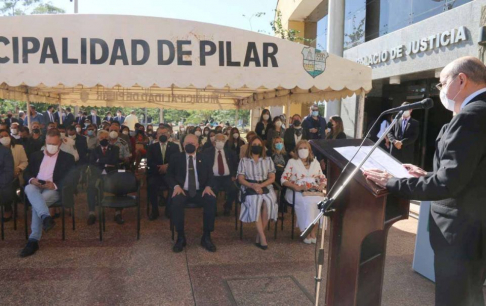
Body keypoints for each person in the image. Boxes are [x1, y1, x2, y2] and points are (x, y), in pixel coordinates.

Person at [364, 56, 486, 306]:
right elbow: (470, 174)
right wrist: (428, 175)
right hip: (474, 229)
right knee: (469, 296)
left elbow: (448, 185)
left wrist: (391, 182)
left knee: (455, 299)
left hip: (460, 232)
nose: (440, 90)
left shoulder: (471, 116)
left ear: (461, 80)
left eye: (442, 83)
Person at [20, 128, 75, 257]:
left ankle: (33, 240)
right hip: (36, 186)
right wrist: (32, 180)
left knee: (38, 203)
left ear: (60, 143)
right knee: (29, 188)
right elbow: (27, 173)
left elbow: (72, 178)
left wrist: (55, 184)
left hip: (53, 189)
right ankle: (45, 217)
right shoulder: (35, 155)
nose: (51, 146)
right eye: (49, 143)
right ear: (45, 141)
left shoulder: (67, 158)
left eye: (54, 144)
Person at [166, 134, 218, 253]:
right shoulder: (175, 157)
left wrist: (209, 187)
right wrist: (176, 186)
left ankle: (206, 236)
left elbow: (211, 175)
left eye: (192, 144)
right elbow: (169, 175)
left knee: (211, 200)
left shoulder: (204, 158)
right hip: (182, 190)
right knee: (176, 201)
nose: (189, 146)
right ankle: (180, 237)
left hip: (200, 191)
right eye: (187, 144)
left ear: (198, 145)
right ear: (183, 145)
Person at [281, 140, 327, 244]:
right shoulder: (292, 162)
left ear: (310, 150)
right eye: (300, 148)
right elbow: (283, 179)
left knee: (321, 202)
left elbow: (322, 178)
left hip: (313, 191)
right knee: (306, 202)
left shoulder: (315, 162)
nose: (303, 150)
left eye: (305, 148)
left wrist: (321, 185)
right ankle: (305, 231)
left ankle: (313, 231)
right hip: (296, 190)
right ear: (296, 151)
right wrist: (296, 187)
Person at [238, 136, 278, 250]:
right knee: (256, 202)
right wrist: (253, 186)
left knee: (268, 202)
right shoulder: (244, 161)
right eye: (254, 145)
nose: (257, 147)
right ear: (250, 146)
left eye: (259, 145)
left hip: (265, 186)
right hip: (249, 186)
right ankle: (262, 237)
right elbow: (241, 178)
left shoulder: (268, 160)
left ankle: (259, 234)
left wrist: (260, 185)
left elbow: (272, 178)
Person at [85, 130, 121, 225]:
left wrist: (99, 161)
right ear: (98, 139)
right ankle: (92, 213)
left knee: (119, 186)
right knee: (90, 187)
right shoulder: (94, 150)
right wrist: (106, 163)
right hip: (98, 174)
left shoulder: (115, 148)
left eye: (106, 138)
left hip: (112, 174)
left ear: (109, 139)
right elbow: (92, 163)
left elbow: (114, 161)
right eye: (102, 138)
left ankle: (118, 213)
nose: (104, 140)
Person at [146, 127, 180, 220]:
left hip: (169, 174)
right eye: (160, 133)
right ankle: (154, 210)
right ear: (156, 136)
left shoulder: (174, 146)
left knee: (173, 186)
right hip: (155, 173)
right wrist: (160, 167)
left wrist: (167, 166)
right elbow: (149, 162)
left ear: (169, 135)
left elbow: (177, 161)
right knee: (151, 185)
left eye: (164, 133)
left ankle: (168, 209)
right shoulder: (151, 147)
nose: (163, 135)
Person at [204, 134, 238, 216]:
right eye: (218, 140)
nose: (220, 142)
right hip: (213, 177)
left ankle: (227, 206)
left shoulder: (230, 152)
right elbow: (203, 166)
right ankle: (213, 208)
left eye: (222, 140)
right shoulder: (207, 152)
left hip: (227, 177)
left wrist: (233, 175)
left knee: (234, 190)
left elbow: (236, 165)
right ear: (214, 142)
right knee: (212, 190)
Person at [0, 129, 28, 221]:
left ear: (10, 136)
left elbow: (25, 162)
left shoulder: (19, 147)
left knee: (6, 187)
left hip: (16, 176)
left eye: (6, 135)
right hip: (3, 176)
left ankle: (8, 209)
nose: (4, 138)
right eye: (1, 136)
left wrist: (18, 169)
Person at [0, 144, 14, 222]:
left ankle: (8, 209)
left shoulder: (5, 151)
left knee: (6, 188)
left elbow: (8, 172)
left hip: (2, 182)